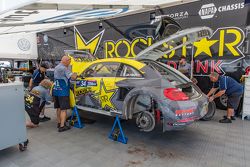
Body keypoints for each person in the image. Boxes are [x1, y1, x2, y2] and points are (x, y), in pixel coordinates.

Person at [52, 56, 77, 132]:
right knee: (64, 110)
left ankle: (59, 123)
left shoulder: (57, 67)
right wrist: (75, 73)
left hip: (56, 90)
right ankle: (62, 126)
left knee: (59, 108)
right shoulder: (64, 69)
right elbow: (73, 77)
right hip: (63, 92)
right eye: (69, 62)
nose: (69, 63)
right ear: (66, 61)